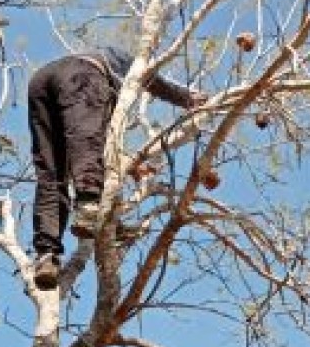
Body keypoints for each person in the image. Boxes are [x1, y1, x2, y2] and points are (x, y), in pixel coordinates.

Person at [28, 46, 205, 290]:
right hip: (82, 74)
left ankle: (46, 255)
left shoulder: (96, 76)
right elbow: (153, 80)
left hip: (40, 82)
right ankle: (90, 208)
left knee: (52, 173)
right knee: (86, 143)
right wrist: (187, 98)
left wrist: (133, 169)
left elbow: (102, 147)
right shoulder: (121, 60)